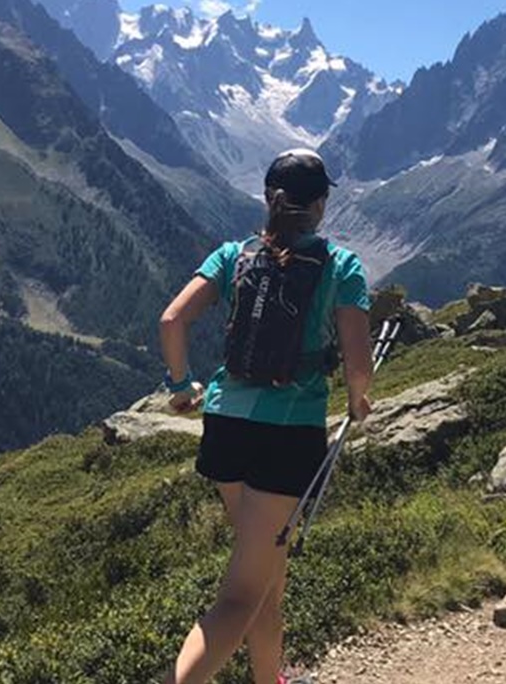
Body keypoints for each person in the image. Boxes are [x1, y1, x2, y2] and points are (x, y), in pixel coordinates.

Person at [157, 149, 374, 684]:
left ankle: (269, 679)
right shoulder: (341, 267)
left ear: (267, 198)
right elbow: (358, 362)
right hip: (288, 438)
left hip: (226, 427)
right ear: (320, 205)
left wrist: (183, 386)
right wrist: (356, 401)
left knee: (265, 573)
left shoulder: (233, 255)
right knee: (240, 594)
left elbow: (171, 319)